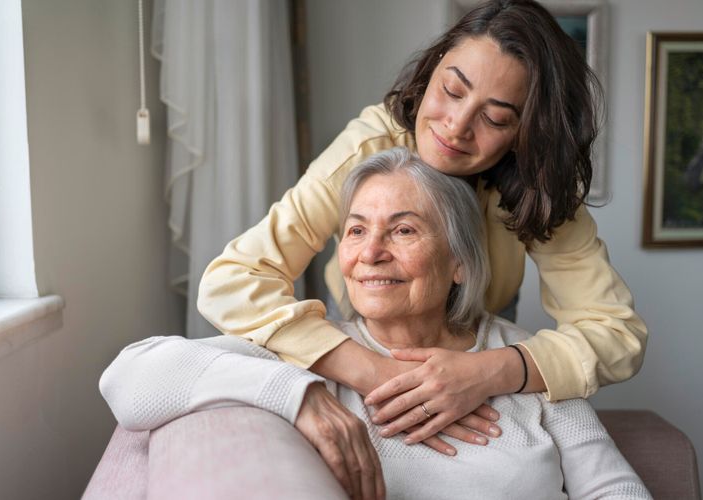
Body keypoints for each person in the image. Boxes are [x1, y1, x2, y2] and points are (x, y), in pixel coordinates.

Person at [197, 0, 647, 453]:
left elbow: (617, 334)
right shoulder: (367, 147)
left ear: (527, 132)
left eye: (494, 118)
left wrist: (489, 371)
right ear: (431, 71)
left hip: (481, 344)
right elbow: (231, 281)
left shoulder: (540, 187)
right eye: (452, 90)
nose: (455, 126)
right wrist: (372, 370)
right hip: (358, 337)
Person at [101, 149, 651, 500]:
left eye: (404, 231)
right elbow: (127, 379)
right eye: (357, 231)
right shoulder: (310, 350)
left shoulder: (521, 358)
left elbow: (613, 487)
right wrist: (300, 395)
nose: (372, 254)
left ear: (459, 261)